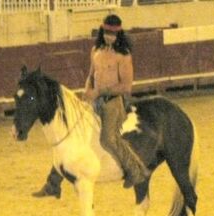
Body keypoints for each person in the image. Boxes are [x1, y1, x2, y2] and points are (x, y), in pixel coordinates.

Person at [33, 14, 150, 199]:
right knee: (70, 133)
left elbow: (126, 87)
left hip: (114, 103)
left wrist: (99, 91)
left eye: (112, 34)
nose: (109, 37)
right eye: (106, 33)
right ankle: (53, 183)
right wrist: (87, 91)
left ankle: (135, 170)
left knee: (108, 138)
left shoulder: (123, 56)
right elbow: (90, 75)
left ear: (118, 34)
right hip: (94, 100)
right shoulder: (95, 50)